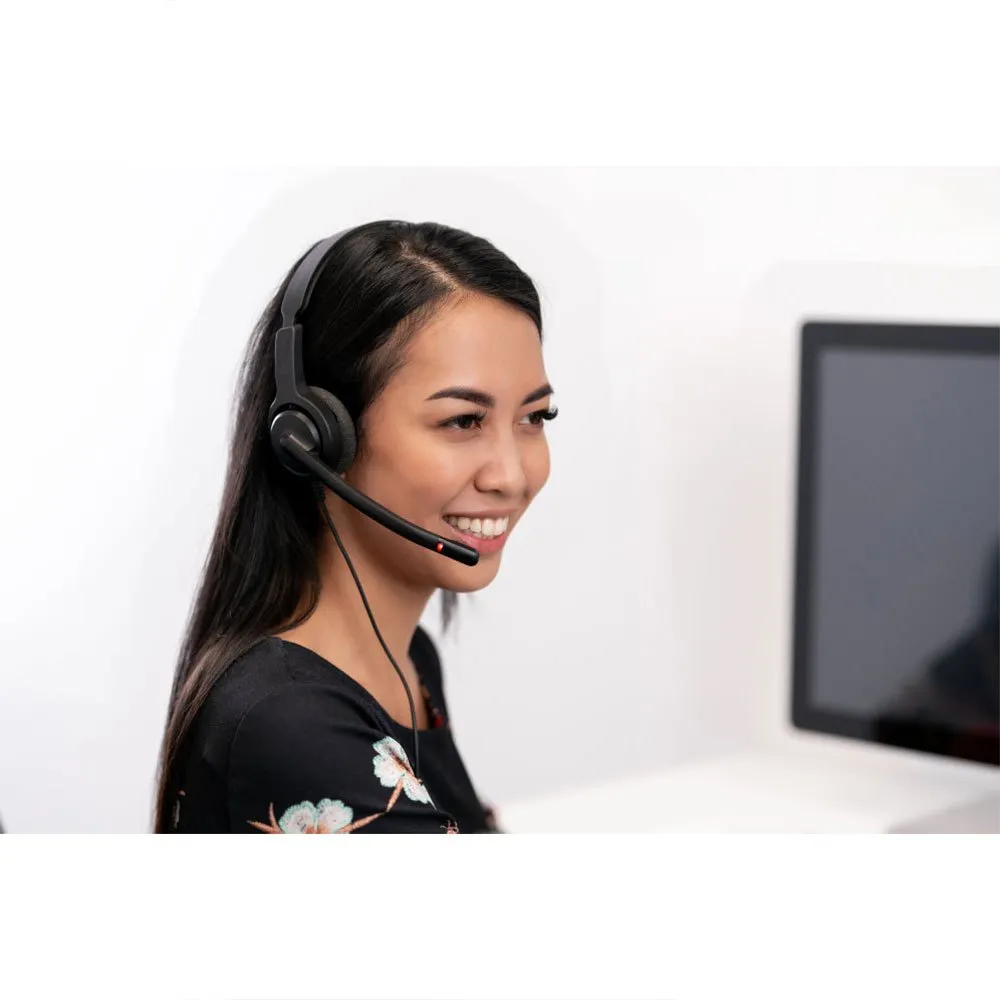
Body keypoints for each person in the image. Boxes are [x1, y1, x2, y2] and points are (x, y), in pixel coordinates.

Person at [152, 221, 556, 833]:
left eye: (535, 416)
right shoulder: (293, 726)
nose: (512, 474)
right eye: (463, 421)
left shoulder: (407, 661)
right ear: (315, 436)